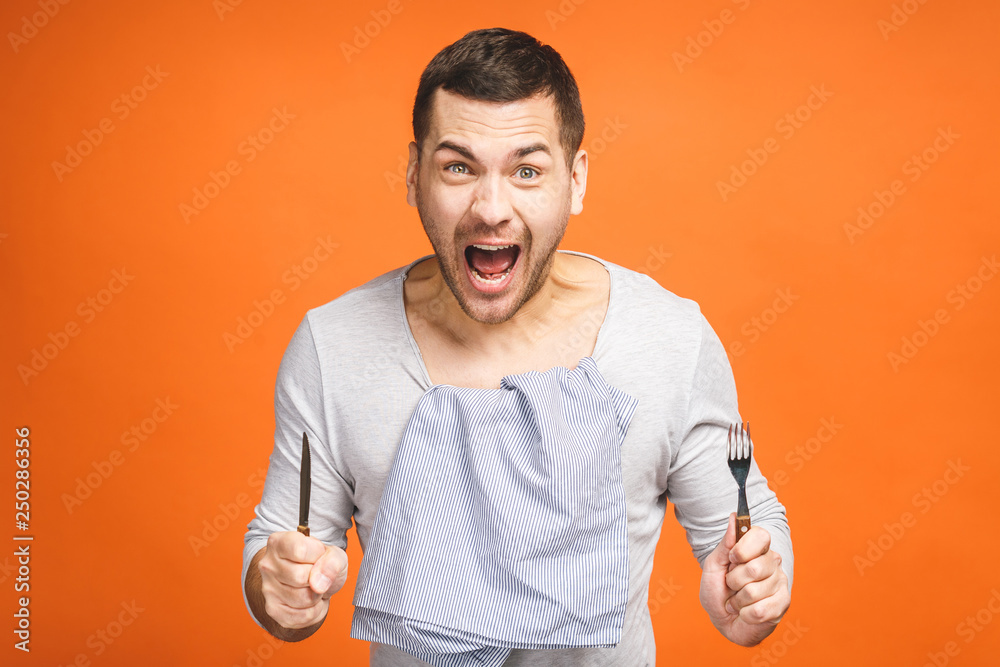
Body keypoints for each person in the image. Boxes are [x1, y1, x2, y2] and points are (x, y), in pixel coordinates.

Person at [242, 27, 792, 666]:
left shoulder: (667, 336)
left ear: (576, 181)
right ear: (416, 174)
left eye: (527, 170)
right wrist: (277, 587)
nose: (491, 208)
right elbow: (278, 554)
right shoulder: (333, 345)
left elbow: (748, 527)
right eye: (458, 167)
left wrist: (752, 592)